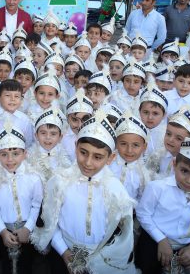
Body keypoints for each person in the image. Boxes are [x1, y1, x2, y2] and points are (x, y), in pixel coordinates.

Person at [31, 109, 136, 274]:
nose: (88, 162)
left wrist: (98, 260)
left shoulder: (116, 190)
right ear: (75, 146)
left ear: (111, 158)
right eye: (83, 152)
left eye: (98, 157)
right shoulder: (60, 182)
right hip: (65, 252)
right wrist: (64, 252)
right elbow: (51, 222)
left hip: (103, 260)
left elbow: (122, 235)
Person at [136, 131, 190, 274]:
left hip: (185, 248)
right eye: (185, 171)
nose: (189, 180)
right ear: (174, 164)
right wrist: (161, 239)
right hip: (153, 241)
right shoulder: (157, 188)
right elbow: (143, 213)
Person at [0, 122, 43, 274]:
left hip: (27, 231)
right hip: (5, 230)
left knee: (26, 265)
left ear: (25, 153)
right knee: (7, 266)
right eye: (4, 154)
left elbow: (36, 205)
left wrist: (27, 228)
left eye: (15, 153)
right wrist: (3, 232)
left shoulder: (34, 177)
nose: (10, 159)